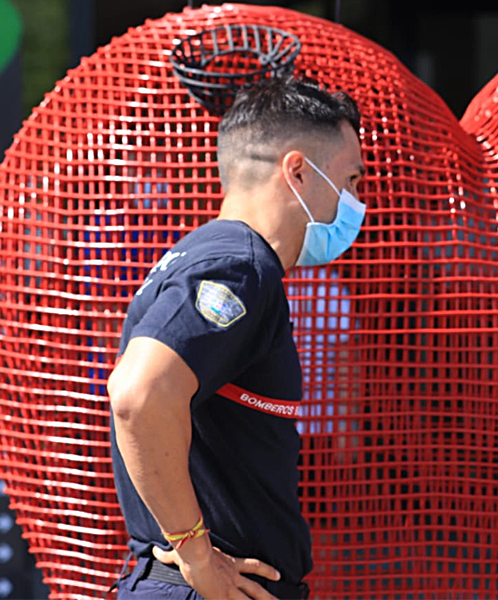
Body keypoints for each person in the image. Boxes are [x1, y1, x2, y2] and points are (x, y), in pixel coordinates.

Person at [107, 77, 366, 600]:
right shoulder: (237, 267)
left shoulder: (211, 254)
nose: (356, 201)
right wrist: (197, 555)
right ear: (297, 171)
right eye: (351, 180)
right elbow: (138, 396)